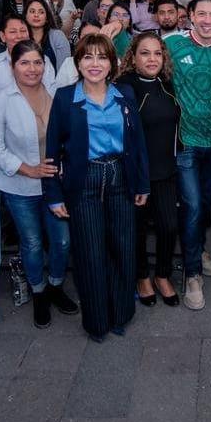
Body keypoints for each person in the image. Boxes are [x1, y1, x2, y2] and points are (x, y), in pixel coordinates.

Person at [43, 34, 150, 342]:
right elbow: (52, 150)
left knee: (123, 247)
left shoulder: (125, 93)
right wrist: (53, 194)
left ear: (112, 63)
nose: (95, 64)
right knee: (90, 252)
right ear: (78, 62)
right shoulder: (65, 97)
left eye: (102, 57)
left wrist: (141, 182)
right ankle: (96, 321)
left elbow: (137, 142)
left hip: (121, 176)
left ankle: (121, 314)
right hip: (84, 180)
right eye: (87, 57)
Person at [0, 40, 80, 328]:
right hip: (19, 188)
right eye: (24, 63)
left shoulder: (57, 95)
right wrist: (29, 169)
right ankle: (38, 291)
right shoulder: (0, 100)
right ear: (12, 67)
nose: (32, 68)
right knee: (33, 242)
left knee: (62, 240)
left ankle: (55, 284)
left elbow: (69, 138)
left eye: (37, 62)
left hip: (55, 186)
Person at [165, 0, 211, 309]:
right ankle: (192, 274)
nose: (207, 20)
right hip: (185, 143)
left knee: (205, 206)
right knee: (191, 206)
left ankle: (199, 248)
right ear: (190, 15)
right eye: (201, 14)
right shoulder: (172, 45)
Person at [114, 34, 183, 304]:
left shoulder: (167, 85)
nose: (152, 59)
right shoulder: (123, 88)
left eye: (157, 53)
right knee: (138, 229)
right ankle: (142, 276)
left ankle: (162, 275)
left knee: (169, 226)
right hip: (135, 175)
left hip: (166, 170)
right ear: (132, 57)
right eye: (145, 53)